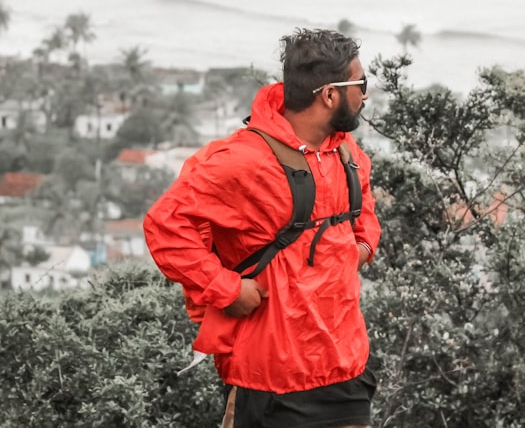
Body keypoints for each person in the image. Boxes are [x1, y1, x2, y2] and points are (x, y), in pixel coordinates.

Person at [144, 28, 381, 428]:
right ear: (329, 95)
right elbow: (165, 225)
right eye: (360, 84)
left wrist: (360, 249)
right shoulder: (244, 161)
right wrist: (227, 289)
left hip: (345, 371)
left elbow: (364, 209)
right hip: (271, 380)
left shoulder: (347, 153)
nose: (365, 95)